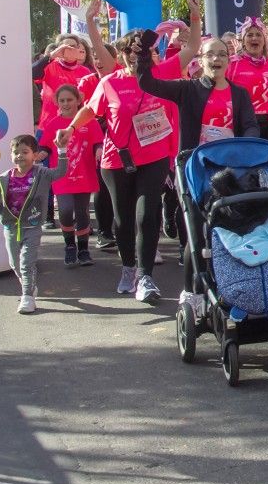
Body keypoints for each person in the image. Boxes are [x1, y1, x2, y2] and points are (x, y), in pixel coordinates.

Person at [56, 32, 179, 305]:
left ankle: (146, 276)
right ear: (122, 56)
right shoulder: (109, 82)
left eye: (140, 54)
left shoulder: (160, 78)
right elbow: (90, 109)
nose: (135, 59)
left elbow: (191, 50)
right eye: (129, 54)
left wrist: (193, 17)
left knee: (146, 215)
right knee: (122, 220)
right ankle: (128, 267)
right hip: (117, 160)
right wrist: (71, 128)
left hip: (154, 156)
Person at [0, 134, 69, 315]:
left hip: (32, 227)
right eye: (15, 152)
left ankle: (27, 296)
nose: (19, 156)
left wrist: (62, 150)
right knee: (15, 263)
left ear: (34, 155)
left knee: (27, 262)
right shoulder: (4, 178)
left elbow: (61, 172)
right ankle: (30, 285)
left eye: (25, 152)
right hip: (10, 228)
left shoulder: (42, 174)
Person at [37, 84, 103, 268]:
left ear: (78, 101)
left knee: (82, 212)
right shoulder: (53, 123)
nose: (66, 104)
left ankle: (83, 249)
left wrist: (99, 150)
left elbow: (98, 142)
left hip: (84, 174)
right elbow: (44, 147)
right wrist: (41, 154)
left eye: (70, 100)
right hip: (62, 176)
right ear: (57, 102)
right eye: (62, 100)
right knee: (65, 211)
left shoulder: (89, 121)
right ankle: (69, 245)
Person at [227, 17, 268, 143]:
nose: (254, 38)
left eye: (259, 35)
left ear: (265, 40)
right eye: (250, 35)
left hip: (266, 123)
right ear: (243, 41)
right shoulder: (231, 64)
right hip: (239, 123)